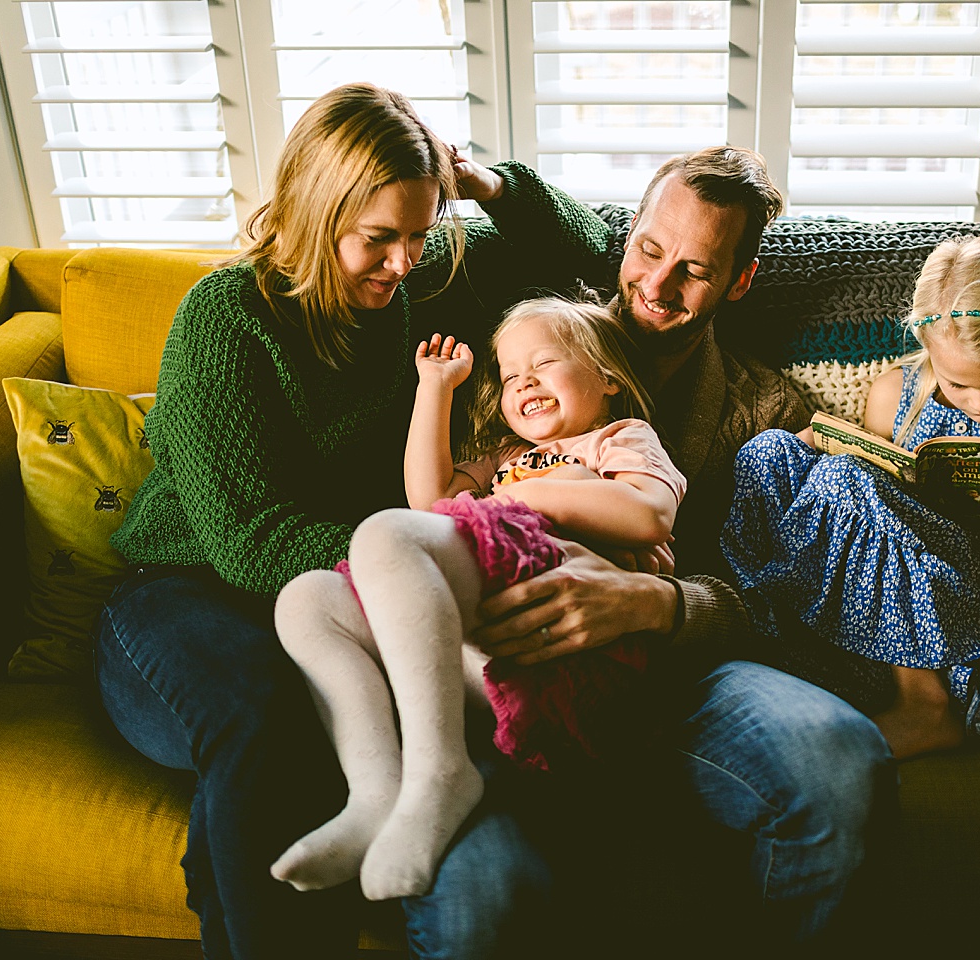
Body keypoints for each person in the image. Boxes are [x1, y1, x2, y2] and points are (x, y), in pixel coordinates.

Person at [91, 83, 636, 960]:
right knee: (272, 723)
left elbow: (594, 254)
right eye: (377, 238)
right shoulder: (226, 318)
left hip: (352, 589)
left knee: (375, 735)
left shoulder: (430, 285)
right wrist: (418, 567)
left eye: (419, 233)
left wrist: (483, 183)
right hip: (184, 594)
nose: (402, 261)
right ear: (313, 211)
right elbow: (250, 540)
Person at [450, 149, 894, 952]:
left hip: (682, 667)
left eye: (695, 269)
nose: (656, 287)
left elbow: (782, 594)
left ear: (739, 281)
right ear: (624, 239)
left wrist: (659, 602)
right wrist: (486, 181)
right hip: (516, 655)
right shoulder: (534, 355)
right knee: (493, 885)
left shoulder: (767, 411)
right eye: (648, 251)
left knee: (841, 761)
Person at [268, 296, 685, 902]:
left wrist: (530, 499)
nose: (526, 383)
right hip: (483, 654)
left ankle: (440, 772)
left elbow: (649, 513)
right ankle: (376, 794)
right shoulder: (503, 460)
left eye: (545, 362)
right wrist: (435, 388)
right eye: (512, 375)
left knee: (382, 535)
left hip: (569, 642)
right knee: (307, 598)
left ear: (610, 378)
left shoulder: (616, 439)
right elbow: (429, 502)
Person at [722, 236, 980, 767]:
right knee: (769, 453)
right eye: (957, 385)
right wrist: (825, 446)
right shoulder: (892, 392)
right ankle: (771, 622)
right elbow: (869, 491)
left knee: (842, 480)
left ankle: (923, 702)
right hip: (897, 577)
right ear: (927, 347)